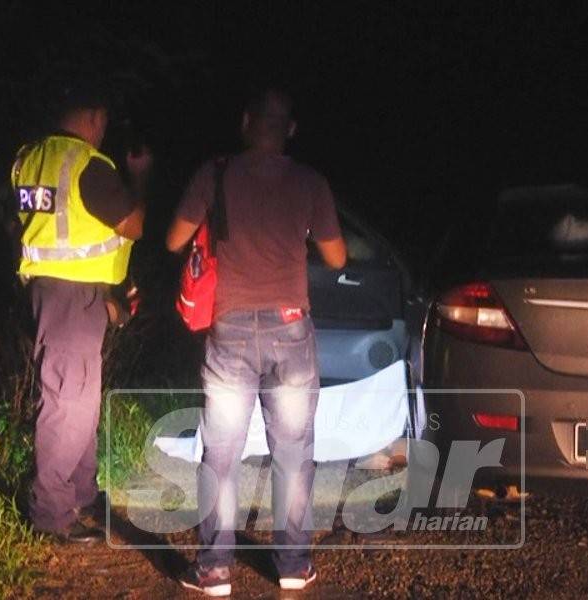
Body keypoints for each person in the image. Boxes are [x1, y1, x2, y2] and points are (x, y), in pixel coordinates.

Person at [166, 88, 347, 596]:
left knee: (221, 452)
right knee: (292, 451)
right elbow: (337, 258)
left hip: (230, 328)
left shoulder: (215, 173)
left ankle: (214, 569)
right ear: (290, 130)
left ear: (246, 122)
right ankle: (292, 563)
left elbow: (173, 240)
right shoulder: (310, 181)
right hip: (291, 327)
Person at [12, 79, 150, 543]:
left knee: (80, 398)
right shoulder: (87, 165)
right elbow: (133, 222)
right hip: (73, 297)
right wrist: (140, 177)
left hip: (55, 291)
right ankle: (50, 513)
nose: (104, 130)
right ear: (92, 117)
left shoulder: (30, 158)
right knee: (68, 401)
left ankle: (83, 493)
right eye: (104, 121)